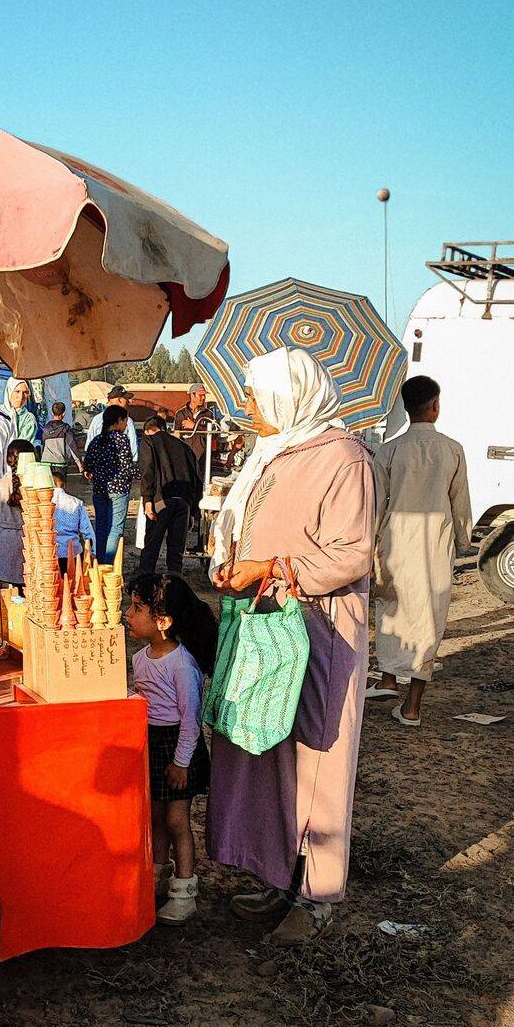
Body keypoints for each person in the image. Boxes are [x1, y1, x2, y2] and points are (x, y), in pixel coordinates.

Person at [205, 347, 376, 946]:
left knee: (318, 757)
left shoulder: (344, 457)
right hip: (270, 624)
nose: (248, 407)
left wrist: (272, 566)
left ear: (290, 398)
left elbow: (353, 552)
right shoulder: (271, 455)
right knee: (268, 746)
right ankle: (278, 873)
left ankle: (318, 896)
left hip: (322, 625)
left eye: (257, 397)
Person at [370, 375, 473, 726]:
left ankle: (386, 678)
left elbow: (375, 505)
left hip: (395, 541)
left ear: (406, 407)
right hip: (436, 544)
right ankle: (412, 706)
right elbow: (461, 504)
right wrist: (463, 543)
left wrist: (370, 544)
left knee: (391, 607)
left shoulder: (389, 450)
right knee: (429, 617)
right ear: (435, 406)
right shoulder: (453, 449)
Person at [126, 572, 217, 925]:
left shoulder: (182, 665)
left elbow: (191, 719)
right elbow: (146, 699)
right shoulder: (141, 658)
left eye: (137, 608)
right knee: (156, 816)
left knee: (177, 819)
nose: (128, 615)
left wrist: (181, 762)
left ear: (162, 622)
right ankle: (155, 878)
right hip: (154, 743)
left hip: (180, 746)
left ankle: (184, 891)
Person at [138, 413, 201, 574]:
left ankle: (146, 583)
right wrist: (193, 511)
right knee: (176, 550)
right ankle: (175, 583)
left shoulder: (148, 441)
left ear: (149, 431)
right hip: (184, 502)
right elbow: (196, 479)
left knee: (152, 545)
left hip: (161, 499)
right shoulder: (185, 447)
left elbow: (147, 471)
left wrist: (147, 499)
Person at [83, 405, 136, 564]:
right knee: (115, 529)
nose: (126, 424)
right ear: (119, 420)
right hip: (119, 490)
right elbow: (127, 466)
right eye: (125, 420)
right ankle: (108, 565)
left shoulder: (96, 440)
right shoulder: (121, 439)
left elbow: (88, 465)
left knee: (101, 527)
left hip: (100, 489)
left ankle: (99, 564)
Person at [0, 438, 38, 587]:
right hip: (31, 542)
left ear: (8, 460)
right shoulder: (39, 485)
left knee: (7, 595)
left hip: (3, 544)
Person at [50, 464, 96, 567]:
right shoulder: (76, 503)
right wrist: (92, 552)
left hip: (51, 554)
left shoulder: (45, 503)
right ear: (65, 486)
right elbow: (87, 531)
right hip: (74, 555)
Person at [83, 385, 139, 460]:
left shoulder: (97, 419)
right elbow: (133, 448)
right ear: (120, 400)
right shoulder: (127, 421)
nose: (128, 402)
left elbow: (89, 445)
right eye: (126, 399)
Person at [173, 384, 221, 463]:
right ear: (192, 395)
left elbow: (214, 435)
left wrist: (194, 426)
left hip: (202, 456)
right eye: (201, 395)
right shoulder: (180, 414)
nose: (203, 398)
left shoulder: (208, 414)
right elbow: (176, 435)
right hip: (185, 455)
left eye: (204, 395)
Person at [39, 402, 82, 474]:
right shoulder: (66, 428)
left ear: (52, 413)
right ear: (64, 413)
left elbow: (42, 445)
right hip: (60, 464)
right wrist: (79, 464)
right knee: (60, 485)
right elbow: (72, 446)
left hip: (45, 463)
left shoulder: (46, 428)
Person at [4, 378, 41, 446]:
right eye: (17, 391)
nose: (21, 397)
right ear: (10, 391)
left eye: (25, 392)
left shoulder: (29, 419)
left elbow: (20, 448)